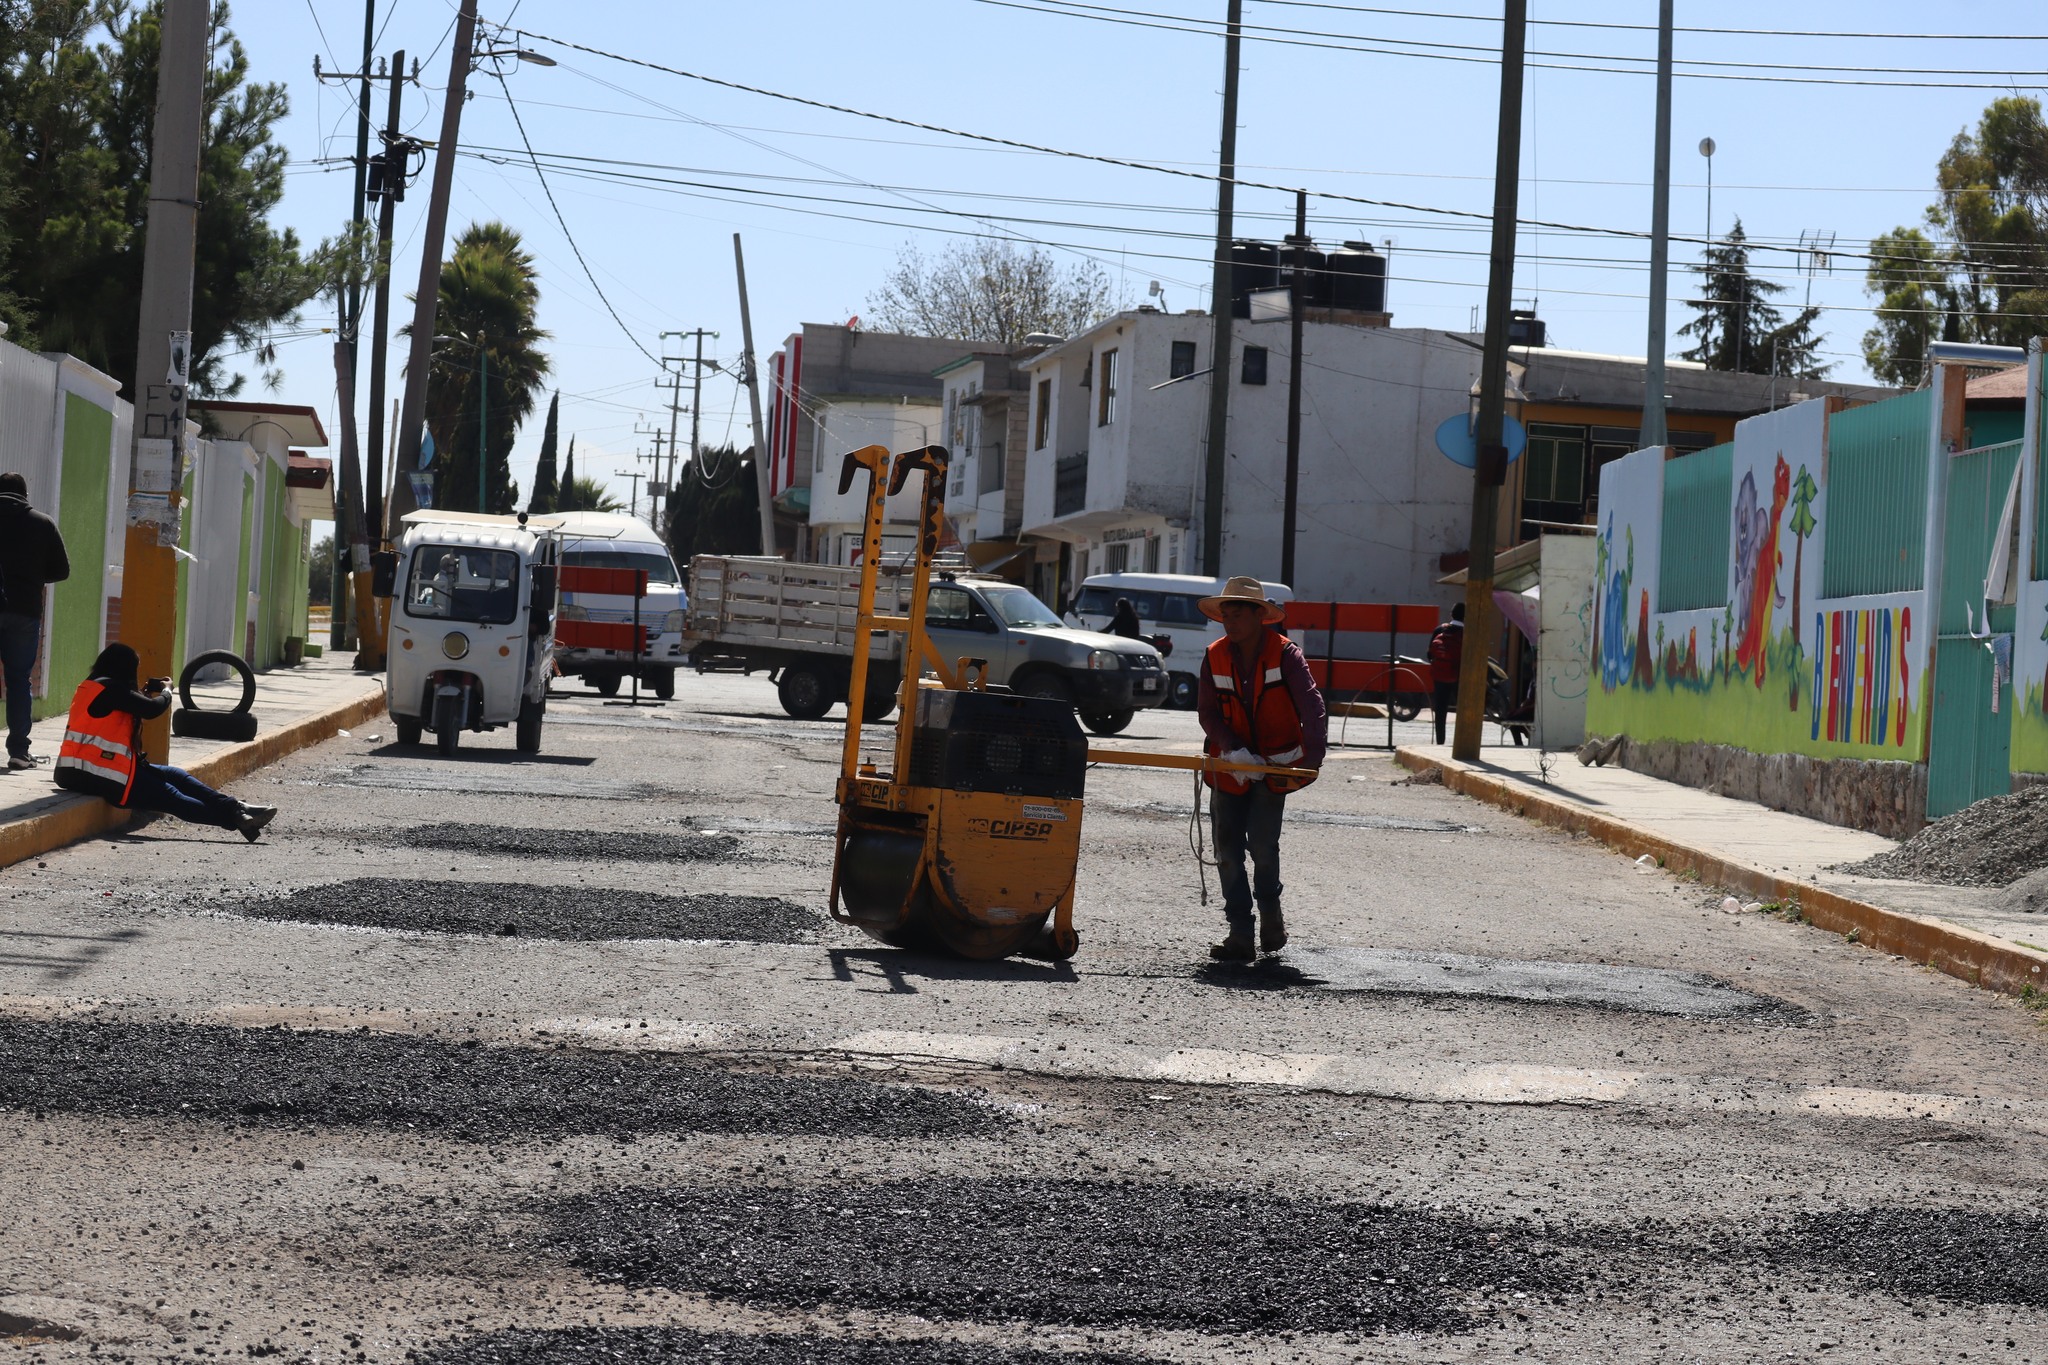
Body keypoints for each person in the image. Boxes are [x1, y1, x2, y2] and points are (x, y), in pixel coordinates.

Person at [1196, 575, 1327, 961]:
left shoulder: (1286, 655)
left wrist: (1313, 758)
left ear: (1259, 617)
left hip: (1273, 770)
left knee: (1264, 848)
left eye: (1237, 615)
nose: (1229, 622)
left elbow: (1311, 706)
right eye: (1226, 615)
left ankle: (1271, 919)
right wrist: (1235, 750)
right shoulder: (1214, 655)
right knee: (1227, 850)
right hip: (1229, 768)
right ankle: (1240, 933)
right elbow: (1207, 713)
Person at [53, 644, 277, 840]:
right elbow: (152, 710)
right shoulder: (112, 690)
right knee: (172, 797)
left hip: (77, 771)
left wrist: (142, 693)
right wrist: (168, 692)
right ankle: (235, 817)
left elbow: (119, 712)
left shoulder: (92, 687)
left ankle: (237, 809)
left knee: (176, 775)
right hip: (105, 776)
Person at [0, 471, 72, 770]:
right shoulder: (42, 523)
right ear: (25, 495)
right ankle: (19, 751)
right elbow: (62, 570)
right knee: (18, 680)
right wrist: (32, 579)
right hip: (24, 611)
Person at [1427, 602, 1465, 745]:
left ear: (1451, 614)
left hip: (1441, 675)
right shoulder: (1469, 633)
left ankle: (1440, 741)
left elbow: (1429, 653)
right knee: (1463, 708)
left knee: (1441, 708)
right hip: (1459, 675)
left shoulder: (1440, 629)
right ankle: (1460, 742)